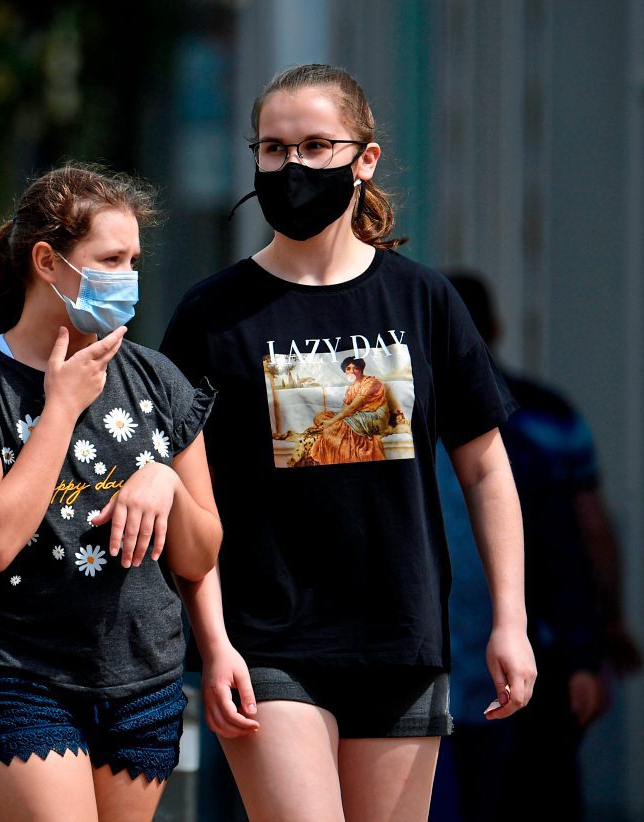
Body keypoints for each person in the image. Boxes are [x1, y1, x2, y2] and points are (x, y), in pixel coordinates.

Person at [160, 64, 537, 821]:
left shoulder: (424, 299)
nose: (291, 167)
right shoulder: (211, 315)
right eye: (273, 149)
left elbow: (486, 470)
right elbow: (185, 488)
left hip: (401, 636)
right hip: (268, 641)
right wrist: (213, 641)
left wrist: (511, 620)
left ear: (364, 160)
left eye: (314, 146)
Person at [0, 164, 222, 822]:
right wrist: (58, 409)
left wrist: (166, 482)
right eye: (110, 260)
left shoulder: (159, 379)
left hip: (144, 677)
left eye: (133, 261)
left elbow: (201, 555)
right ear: (46, 262)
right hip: (21, 676)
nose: (128, 277)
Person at [429, 272, 634, 822]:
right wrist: (599, 637)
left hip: (501, 660)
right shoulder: (539, 418)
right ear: (495, 329)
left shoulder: (516, 435)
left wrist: (588, 648)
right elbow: (585, 533)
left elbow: (570, 542)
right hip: (463, 665)